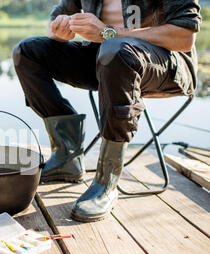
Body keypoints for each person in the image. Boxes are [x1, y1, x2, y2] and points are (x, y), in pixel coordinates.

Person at [12, 0, 201, 222]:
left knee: (115, 49)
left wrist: (109, 33)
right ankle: (67, 155)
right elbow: (58, 16)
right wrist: (58, 29)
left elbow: (184, 37)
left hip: (164, 63)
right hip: (105, 57)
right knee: (26, 52)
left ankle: (106, 180)